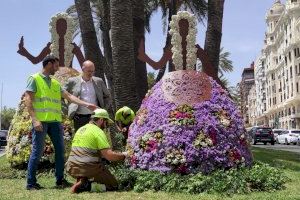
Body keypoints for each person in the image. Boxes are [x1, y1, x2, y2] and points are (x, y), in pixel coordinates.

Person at [24, 55, 98, 190]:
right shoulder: (34, 79)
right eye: (56, 65)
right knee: (37, 152)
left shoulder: (55, 83)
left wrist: (87, 104)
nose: (57, 69)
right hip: (40, 122)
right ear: (49, 64)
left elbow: (69, 97)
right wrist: (35, 119)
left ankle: (60, 180)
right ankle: (31, 183)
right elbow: (28, 99)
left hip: (55, 122)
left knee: (60, 151)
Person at [66, 108, 127, 193]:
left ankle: (83, 179)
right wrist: (124, 155)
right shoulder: (97, 131)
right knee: (113, 185)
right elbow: (109, 156)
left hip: (71, 167)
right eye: (106, 123)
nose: (106, 126)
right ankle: (86, 186)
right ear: (101, 120)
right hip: (86, 167)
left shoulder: (81, 129)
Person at [64, 60, 112, 132]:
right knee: (81, 140)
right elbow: (60, 95)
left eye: (93, 71)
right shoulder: (72, 81)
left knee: (96, 139)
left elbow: (108, 96)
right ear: (83, 69)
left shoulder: (99, 81)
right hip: (79, 118)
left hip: (96, 117)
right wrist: (68, 111)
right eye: (89, 71)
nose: (91, 73)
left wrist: (103, 109)